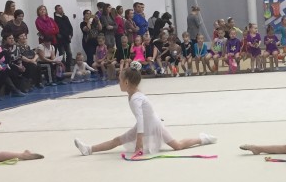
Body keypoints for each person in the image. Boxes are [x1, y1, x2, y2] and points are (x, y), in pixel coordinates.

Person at [73, 65, 216, 156]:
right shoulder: (134, 94)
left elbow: (141, 119)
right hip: (146, 125)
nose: (118, 83)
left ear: (126, 82)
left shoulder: (135, 98)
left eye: (119, 80)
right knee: (117, 140)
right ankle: (89, 149)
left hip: (154, 125)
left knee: (177, 146)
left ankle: (203, 138)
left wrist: (139, 141)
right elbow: (143, 117)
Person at [53, 5, 74, 69]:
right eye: (59, 8)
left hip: (67, 38)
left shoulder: (65, 17)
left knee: (69, 53)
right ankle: (63, 67)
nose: (61, 9)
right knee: (62, 54)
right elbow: (56, 29)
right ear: (56, 10)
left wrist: (70, 34)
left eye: (61, 8)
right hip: (60, 39)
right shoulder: (55, 19)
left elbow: (70, 27)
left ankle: (68, 67)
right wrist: (59, 35)